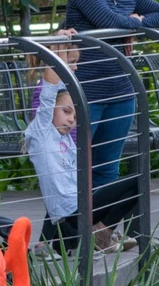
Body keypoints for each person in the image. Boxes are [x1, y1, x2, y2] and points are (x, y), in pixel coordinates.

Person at [63, 0, 159, 188]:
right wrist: (133, 24)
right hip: (85, 91)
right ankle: (69, 228)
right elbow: (107, 20)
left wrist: (137, 21)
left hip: (121, 92)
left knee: (108, 169)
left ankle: (102, 229)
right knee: (74, 167)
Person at [27, 61, 140, 252]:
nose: (72, 119)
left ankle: (99, 233)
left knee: (138, 183)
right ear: (48, 110)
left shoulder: (67, 140)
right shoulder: (42, 135)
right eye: (66, 112)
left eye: (75, 116)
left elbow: (64, 90)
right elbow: (49, 90)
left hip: (81, 206)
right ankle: (100, 236)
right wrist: (57, 49)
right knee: (139, 180)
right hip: (71, 211)